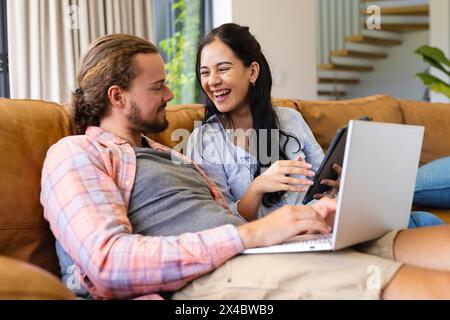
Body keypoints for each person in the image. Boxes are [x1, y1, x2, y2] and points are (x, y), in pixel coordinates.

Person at [41, 33, 450, 300]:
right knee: (413, 284)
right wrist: (254, 232)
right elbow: (108, 262)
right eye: (157, 86)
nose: (170, 93)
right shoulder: (76, 154)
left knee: (412, 240)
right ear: (117, 96)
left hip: (267, 246)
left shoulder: (173, 154)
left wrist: (314, 211)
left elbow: (230, 218)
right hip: (215, 275)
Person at [187, 23, 443, 228]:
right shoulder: (203, 140)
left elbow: (321, 178)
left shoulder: (289, 119)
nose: (212, 81)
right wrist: (258, 186)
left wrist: (337, 185)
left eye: (222, 69)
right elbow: (223, 228)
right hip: (282, 239)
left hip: (325, 221)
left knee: (421, 221)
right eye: (205, 72)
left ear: (252, 72)